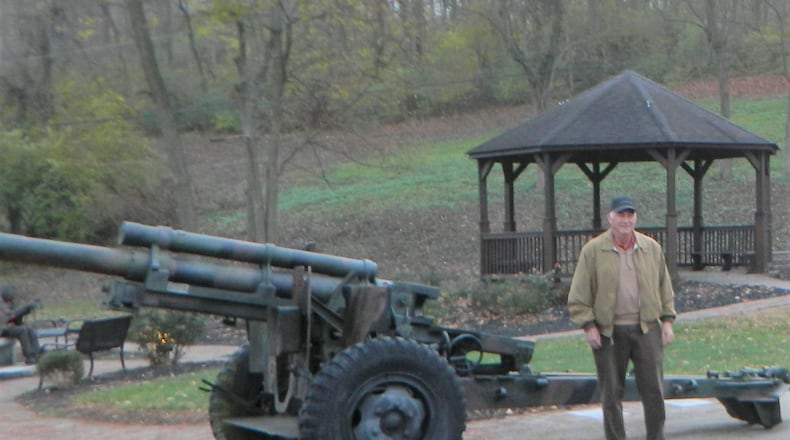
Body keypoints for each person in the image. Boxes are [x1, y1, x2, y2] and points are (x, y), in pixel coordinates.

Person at [567, 195, 676, 440]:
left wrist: (667, 322)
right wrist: (588, 326)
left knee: (654, 392)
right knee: (611, 395)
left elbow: (664, 288)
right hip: (609, 333)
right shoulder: (593, 251)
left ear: (635, 218)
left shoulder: (652, 248)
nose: (625, 220)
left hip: (647, 330)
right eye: (620, 215)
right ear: (610, 218)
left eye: (630, 215)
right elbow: (578, 295)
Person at [0, 285, 42, 365]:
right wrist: (26, 307)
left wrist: (28, 308)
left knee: (28, 329)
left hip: (7, 327)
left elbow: (16, 315)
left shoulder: (11, 304)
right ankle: (29, 356)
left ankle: (36, 353)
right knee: (22, 330)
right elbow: (11, 315)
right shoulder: (1, 305)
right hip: (2, 329)